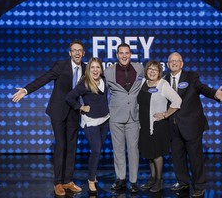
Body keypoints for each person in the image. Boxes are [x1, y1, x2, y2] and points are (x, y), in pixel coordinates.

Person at [12, 40, 86, 196]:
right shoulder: (61, 65)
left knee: (72, 147)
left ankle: (68, 181)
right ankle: (58, 183)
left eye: (80, 50)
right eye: (74, 50)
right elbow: (44, 78)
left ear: (84, 53)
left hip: (74, 112)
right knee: (61, 146)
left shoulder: (86, 68)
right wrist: (26, 90)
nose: (77, 53)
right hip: (58, 111)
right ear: (70, 53)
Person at [164, 52, 222, 197]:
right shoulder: (165, 79)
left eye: (177, 61)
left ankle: (199, 185)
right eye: (171, 61)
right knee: (177, 157)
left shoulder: (192, 77)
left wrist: (214, 94)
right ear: (167, 65)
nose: (174, 63)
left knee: (195, 157)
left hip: (191, 124)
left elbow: (202, 88)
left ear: (182, 64)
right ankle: (183, 182)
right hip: (173, 125)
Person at [65, 57, 110, 195]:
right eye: (92, 68)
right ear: (88, 70)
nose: (95, 70)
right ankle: (91, 180)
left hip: (105, 119)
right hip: (90, 121)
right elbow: (69, 97)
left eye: (98, 67)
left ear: (101, 69)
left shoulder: (104, 81)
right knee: (96, 151)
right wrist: (81, 107)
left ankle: (93, 174)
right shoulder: (84, 83)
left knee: (98, 149)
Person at [104, 43, 144, 193]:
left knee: (133, 150)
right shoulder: (108, 72)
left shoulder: (140, 68)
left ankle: (133, 181)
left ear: (131, 54)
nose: (124, 55)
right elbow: (100, 91)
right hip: (116, 116)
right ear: (117, 55)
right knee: (118, 150)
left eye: (127, 53)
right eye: (121, 53)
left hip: (134, 115)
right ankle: (120, 179)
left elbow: (151, 83)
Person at [137, 60, 182, 193]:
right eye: (150, 69)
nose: (152, 71)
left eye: (155, 70)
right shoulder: (142, 83)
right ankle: (152, 178)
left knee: (156, 154)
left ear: (159, 72)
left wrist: (165, 114)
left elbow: (177, 101)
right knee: (149, 154)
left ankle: (159, 180)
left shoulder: (163, 84)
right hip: (144, 125)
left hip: (157, 126)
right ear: (146, 70)